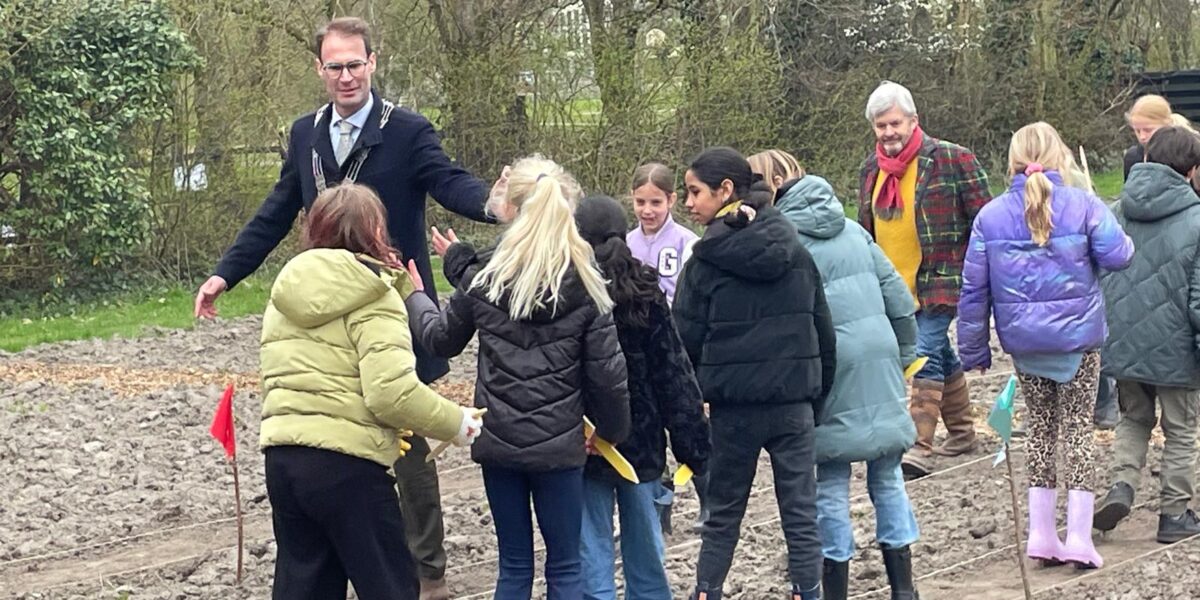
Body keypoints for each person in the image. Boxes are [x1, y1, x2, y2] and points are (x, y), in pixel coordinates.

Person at [192, 18, 506, 598]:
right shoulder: (305, 133)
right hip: (325, 314)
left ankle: (428, 571)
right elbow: (276, 209)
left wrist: (493, 203)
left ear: (372, 63)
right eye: (334, 66)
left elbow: (449, 182)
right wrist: (225, 273)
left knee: (407, 445)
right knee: (337, 444)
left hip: (388, 307)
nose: (345, 76)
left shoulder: (406, 130)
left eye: (354, 64)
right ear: (319, 69)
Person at [405, 156, 632, 599]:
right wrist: (610, 431)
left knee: (513, 566)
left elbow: (440, 340)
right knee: (565, 566)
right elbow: (609, 376)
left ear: (509, 208)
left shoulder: (485, 280)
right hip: (560, 447)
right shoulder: (587, 284)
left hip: (499, 443)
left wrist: (417, 299)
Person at [259, 183, 483, 600]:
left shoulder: (283, 295)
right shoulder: (376, 293)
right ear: (376, 231)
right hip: (348, 468)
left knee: (305, 588)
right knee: (390, 587)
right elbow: (391, 393)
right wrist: (456, 422)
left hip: (283, 460)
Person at [958, 122, 1134, 569]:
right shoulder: (1083, 204)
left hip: (1024, 343)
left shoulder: (990, 216)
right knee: (1077, 430)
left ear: (1012, 160)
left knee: (1040, 429)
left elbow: (973, 290)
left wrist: (974, 350)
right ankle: (1078, 537)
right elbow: (1120, 255)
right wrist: (1099, 210)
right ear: (1060, 157)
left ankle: (1040, 534)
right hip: (1079, 341)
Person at [750, 149, 922, 600]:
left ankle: (835, 591)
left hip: (825, 367)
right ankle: (904, 589)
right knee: (887, 475)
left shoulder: (778, 242)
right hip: (879, 354)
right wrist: (903, 355)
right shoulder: (852, 228)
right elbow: (898, 297)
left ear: (769, 186)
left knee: (829, 482)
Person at [673, 147, 835, 600]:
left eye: (695, 192)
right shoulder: (797, 253)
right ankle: (808, 593)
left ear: (725, 190)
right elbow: (825, 334)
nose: (688, 202)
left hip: (733, 410)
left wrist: (691, 408)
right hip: (793, 406)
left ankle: (707, 592)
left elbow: (682, 345)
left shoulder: (703, 264)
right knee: (801, 515)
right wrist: (814, 401)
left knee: (722, 516)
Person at [571, 194, 710, 600]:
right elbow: (674, 374)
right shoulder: (647, 290)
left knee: (591, 557)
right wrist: (693, 445)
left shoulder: (567, 292)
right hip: (642, 444)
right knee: (647, 559)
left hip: (585, 441)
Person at [858, 81, 991, 479]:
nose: (888, 132)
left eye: (894, 123)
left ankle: (920, 445)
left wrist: (980, 272)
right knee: (938, 352)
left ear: (913, 120)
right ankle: (963, 432)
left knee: (923, 350)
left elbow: (985, 220)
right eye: (881, 126)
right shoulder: (871, 169)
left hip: (942, 278)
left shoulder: (952, 159)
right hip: (894, 286)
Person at [1095, 126, 1200, 544]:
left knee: (1133, 419)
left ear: (1145, 159)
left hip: (1123, 342)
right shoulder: (1197, 219)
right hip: (1178, 349)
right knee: (1181, 429)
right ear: (1191, 170)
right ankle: (1174, 513)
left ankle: (1121, 485)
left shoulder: (1114, 212)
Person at [625, 162, 699, 304]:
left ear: (671, 200)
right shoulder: (626, 243)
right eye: (640, 202)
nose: (647, 210)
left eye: (656, 203)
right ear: (632, 197)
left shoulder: (688, 243)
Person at [1123, 95, 1180, 180]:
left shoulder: (1186, 153)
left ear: (1167, 125)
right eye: (1137, 131)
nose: (1142, 137)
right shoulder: (1133, 157)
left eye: (1148, 130)